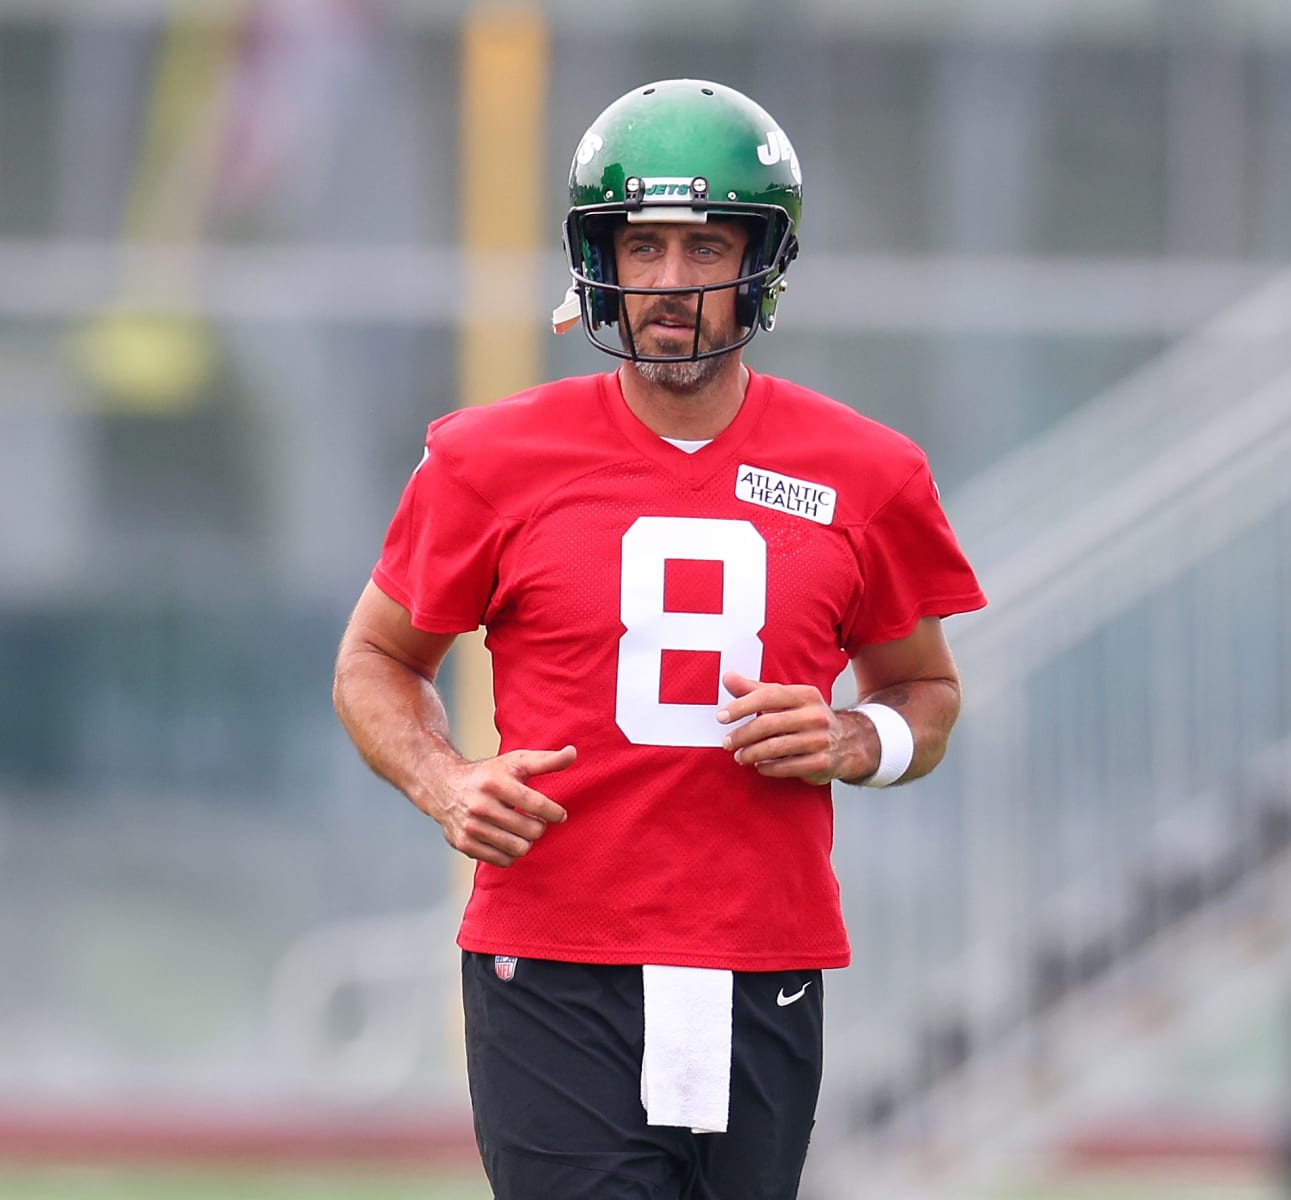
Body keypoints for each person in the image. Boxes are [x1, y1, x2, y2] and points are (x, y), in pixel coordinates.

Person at [331, 78, 986, 1200]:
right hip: (555, 962)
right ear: (600, 257)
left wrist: (852, 736)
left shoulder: (866, 474)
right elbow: (375, 663)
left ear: (763, 261)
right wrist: (446, 782)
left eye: (705, 245)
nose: (673, 284)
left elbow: (927, 694)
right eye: (644, 248)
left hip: (761, 965)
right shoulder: (489, 459)